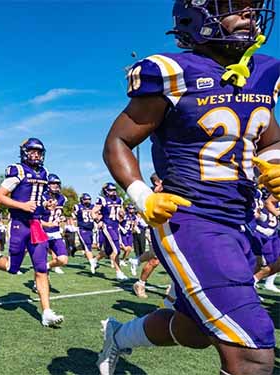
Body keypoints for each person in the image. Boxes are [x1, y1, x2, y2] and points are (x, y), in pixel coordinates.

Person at [98, 1, 279, 374]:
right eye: (237, 5)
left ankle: (117, 337)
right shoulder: (173, 72)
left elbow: (268, 137)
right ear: (197, 15)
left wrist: (276, 165)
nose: (249, 14)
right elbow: (117, 141)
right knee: (252, 352)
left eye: (253, 7)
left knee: (194, 330)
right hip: (189, 217)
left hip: (238, 218)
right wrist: (141, 195)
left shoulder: (264, 71)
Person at [0, 138, 64, 327]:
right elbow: (0, 197)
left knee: (41, 269)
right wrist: (22, 205)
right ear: (25, 152)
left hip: (36, 225)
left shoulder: (45, 173)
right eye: (32, 151)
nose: (36, 155)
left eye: (39, 152)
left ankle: (47, 312)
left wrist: (45, 205)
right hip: (19, 224)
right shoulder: (18, 171)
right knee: (12, 268)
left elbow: (38, 198)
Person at [92, 183, 127, 279]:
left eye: (114, 190)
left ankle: (94, 260)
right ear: (106, 191)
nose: (114, 192)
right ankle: (119, 272)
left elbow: (121, 213)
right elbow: (93, 212)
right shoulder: (102, 200)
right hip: (107, 226)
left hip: (116, 226)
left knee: (108, 251)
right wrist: (97, 220)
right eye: (111, 190)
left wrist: (122, 214)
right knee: (117, 250)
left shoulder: (119, 200)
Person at [41, 173, 68, 274]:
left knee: (63, 259)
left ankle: (47, 266)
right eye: (53, 183)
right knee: (40, 260)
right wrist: (47, 224)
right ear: (47, 185)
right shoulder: (41, 197)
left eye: (57, 183)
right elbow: (35, 218)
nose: (56, 186)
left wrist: (61, 218)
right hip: (42, 233)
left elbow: (58, 213)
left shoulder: (62, 198)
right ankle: (37, 282)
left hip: (55, 233)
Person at [74, 193, 99, 273]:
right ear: (81, 200)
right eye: (85, 199)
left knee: (87, 245)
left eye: (89, 199)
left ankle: (74, 249)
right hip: (82, 228)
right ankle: (92, 264)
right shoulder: (78, 206)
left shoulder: (93, 206)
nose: (87, 201)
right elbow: (75, 215)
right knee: (88, 246)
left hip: (90, 229)